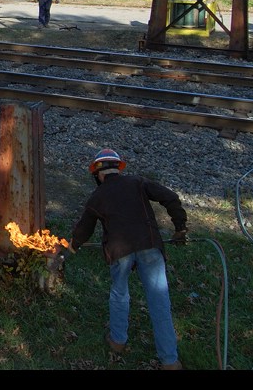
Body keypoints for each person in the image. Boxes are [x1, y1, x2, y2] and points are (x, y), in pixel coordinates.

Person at [63, 148, 187, 370]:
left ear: (98, 174)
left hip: (119, 251)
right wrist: (180, 228)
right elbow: (171, 198)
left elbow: (84, 229)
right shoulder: (137, 182)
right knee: (159, 301)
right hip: (149, 245)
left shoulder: (97, 197)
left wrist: (72, 247)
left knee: (120, 295)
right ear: (117, 169)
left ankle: (118, 341)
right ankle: (170, 360)